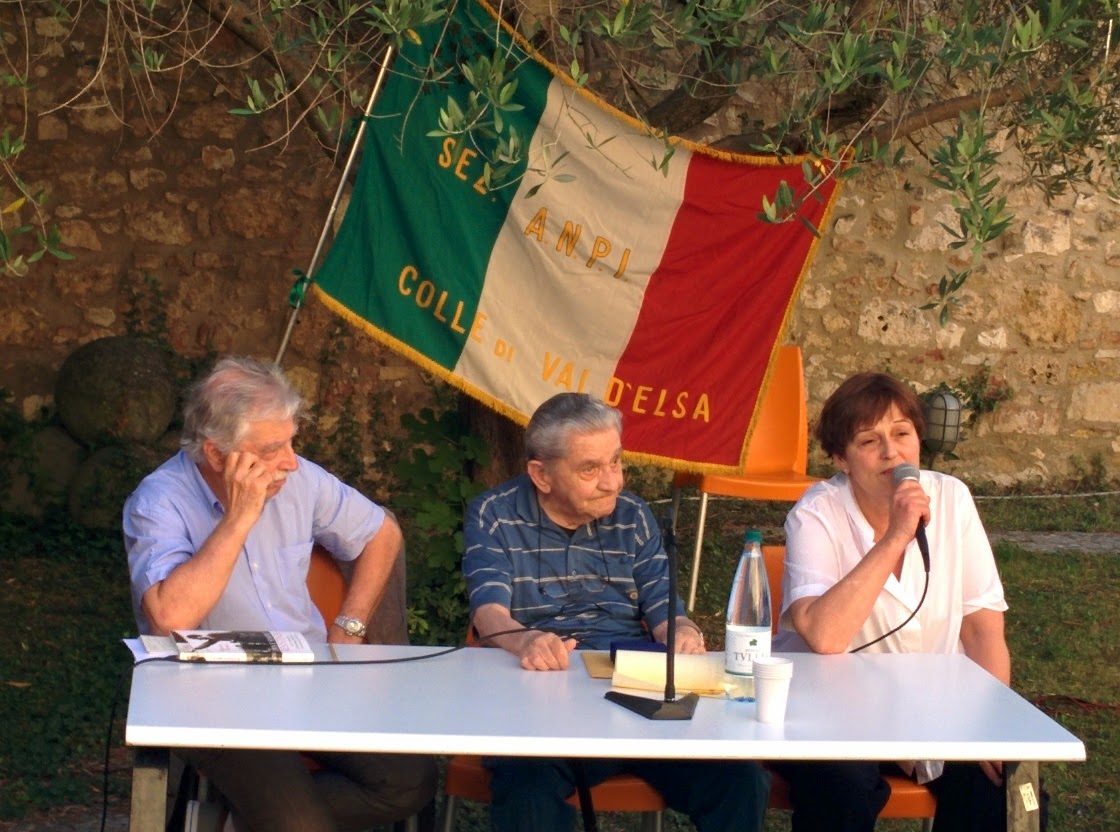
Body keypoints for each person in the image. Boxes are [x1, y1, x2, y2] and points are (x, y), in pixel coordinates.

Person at [124, 356, 436, 832]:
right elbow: (169, 617)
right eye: (272, 449)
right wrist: (239, 518)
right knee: (297, 822)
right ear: (217, 455)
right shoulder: (158, 500)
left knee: (410, 779)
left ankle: (234, 823)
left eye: (291, 441)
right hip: (212, 696)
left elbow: (382, 532)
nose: (290, 461)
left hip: (307, 676)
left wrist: (349, 627)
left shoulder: (297, 478)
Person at [463, 392, 770, 832]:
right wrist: (526, 640)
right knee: (527, 788)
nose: (612, 482)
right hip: (542, 695)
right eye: (590, 469)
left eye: (616, 461)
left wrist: (681, 630)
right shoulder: (495, 514)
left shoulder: (633, 515)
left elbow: (664, 608)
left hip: (632, 690)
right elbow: (489, 613)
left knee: (739, 780)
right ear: (541, 475)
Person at [771, 371, 1012, 832]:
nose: (891, 452)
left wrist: (990, 722)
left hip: (933, 709)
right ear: (841, 459)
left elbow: (982, 631)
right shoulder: (816, 513)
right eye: (869, 441)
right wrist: (897, 536)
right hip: (829, 713)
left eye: (902, 434)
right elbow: (825, 637)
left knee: (999, 787)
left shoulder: (952, 499)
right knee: (842, 788)